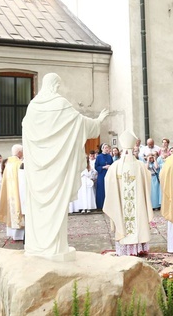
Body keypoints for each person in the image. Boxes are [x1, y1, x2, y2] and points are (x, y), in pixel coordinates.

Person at [21, 72, 108, 259]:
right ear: (54, 85)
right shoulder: (60, 104)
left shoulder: (33, 106)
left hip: (38, 169)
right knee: (56, 206)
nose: (58, 89)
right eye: (58, 85)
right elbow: (80, 123)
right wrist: (98, 121)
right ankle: (54, 248)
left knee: (39, 208)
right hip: (56, 168)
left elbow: (26, 127)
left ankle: (38, 246)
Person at [104, 130, 154, 256]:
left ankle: (127, 249)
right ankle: (137, 249)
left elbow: (108, 181)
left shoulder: (115, 166)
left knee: (125, 219)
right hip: (136, 203)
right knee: (136, 218)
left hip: (122, 202)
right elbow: (148, 180)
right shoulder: (140, 165)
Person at [0, 144, 25, 241]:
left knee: (12, 210)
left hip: (10, 192)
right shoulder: (19, 164)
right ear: (20, 152)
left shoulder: (8, 164)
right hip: (18, 191)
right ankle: (20, 235)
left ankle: (13, 234)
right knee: (19, 210)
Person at [95, 143, 113, 211]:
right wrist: (103, 167)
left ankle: (109, 205)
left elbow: (112, 164)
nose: (106, 149)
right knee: (101, 189)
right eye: (105, 147)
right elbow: (96, 166)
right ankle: (101, 205)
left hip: (108, 174)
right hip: (102, 174)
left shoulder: (109, 157)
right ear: (102, 149)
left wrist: (110, 167)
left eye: (107, 147)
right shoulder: (99, 157)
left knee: (108, 189)